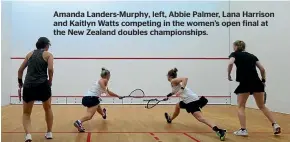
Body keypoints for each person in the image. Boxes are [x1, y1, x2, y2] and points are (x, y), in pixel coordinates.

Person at [228, 40, 281, 136]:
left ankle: (243, 130)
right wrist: (263, 80)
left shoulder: (234, 54)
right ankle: (275, 124)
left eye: (234, 46)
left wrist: (228, 74)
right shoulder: (252, 56)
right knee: (262, 106)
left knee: (241, 106)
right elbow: (262, 69)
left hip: (245, 83)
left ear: (236, 47)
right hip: (257, 83)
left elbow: (230, 63)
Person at [164, 68, 227, 141]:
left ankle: (219, 130)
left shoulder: (173, 80)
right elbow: (174, 91)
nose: (167, 77)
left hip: (191, 101)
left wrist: (181, 89)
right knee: (177, 106)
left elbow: (185, 78)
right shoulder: (173, 83)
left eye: (167, 76)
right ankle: (170, 119)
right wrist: (168, 96)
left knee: (200, 118)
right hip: (187, 100)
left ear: (169, 76)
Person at [18, 37, 54, 142]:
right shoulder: (48, 55)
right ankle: (49, 133)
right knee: (48, 108)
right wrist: (50, 80)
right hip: (43, 85)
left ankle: (28, 135)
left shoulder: (29, 54)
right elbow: (50, 69)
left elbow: (20, 70)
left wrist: (20, 83)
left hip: (29, 86)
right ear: (46, 45)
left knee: (26, 113)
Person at [74, 68, 121, 132]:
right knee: (89, 116)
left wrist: (118, 96)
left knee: (97, 104)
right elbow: (102, 84)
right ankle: (79, 122)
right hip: (92, 98)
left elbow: (109, 92)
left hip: (85, 99)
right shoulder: (104, 80)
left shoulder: (100, 81)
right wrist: (105, 90)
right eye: (109, 75)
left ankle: (103, 114)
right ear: (107, 75)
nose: (110, 77)